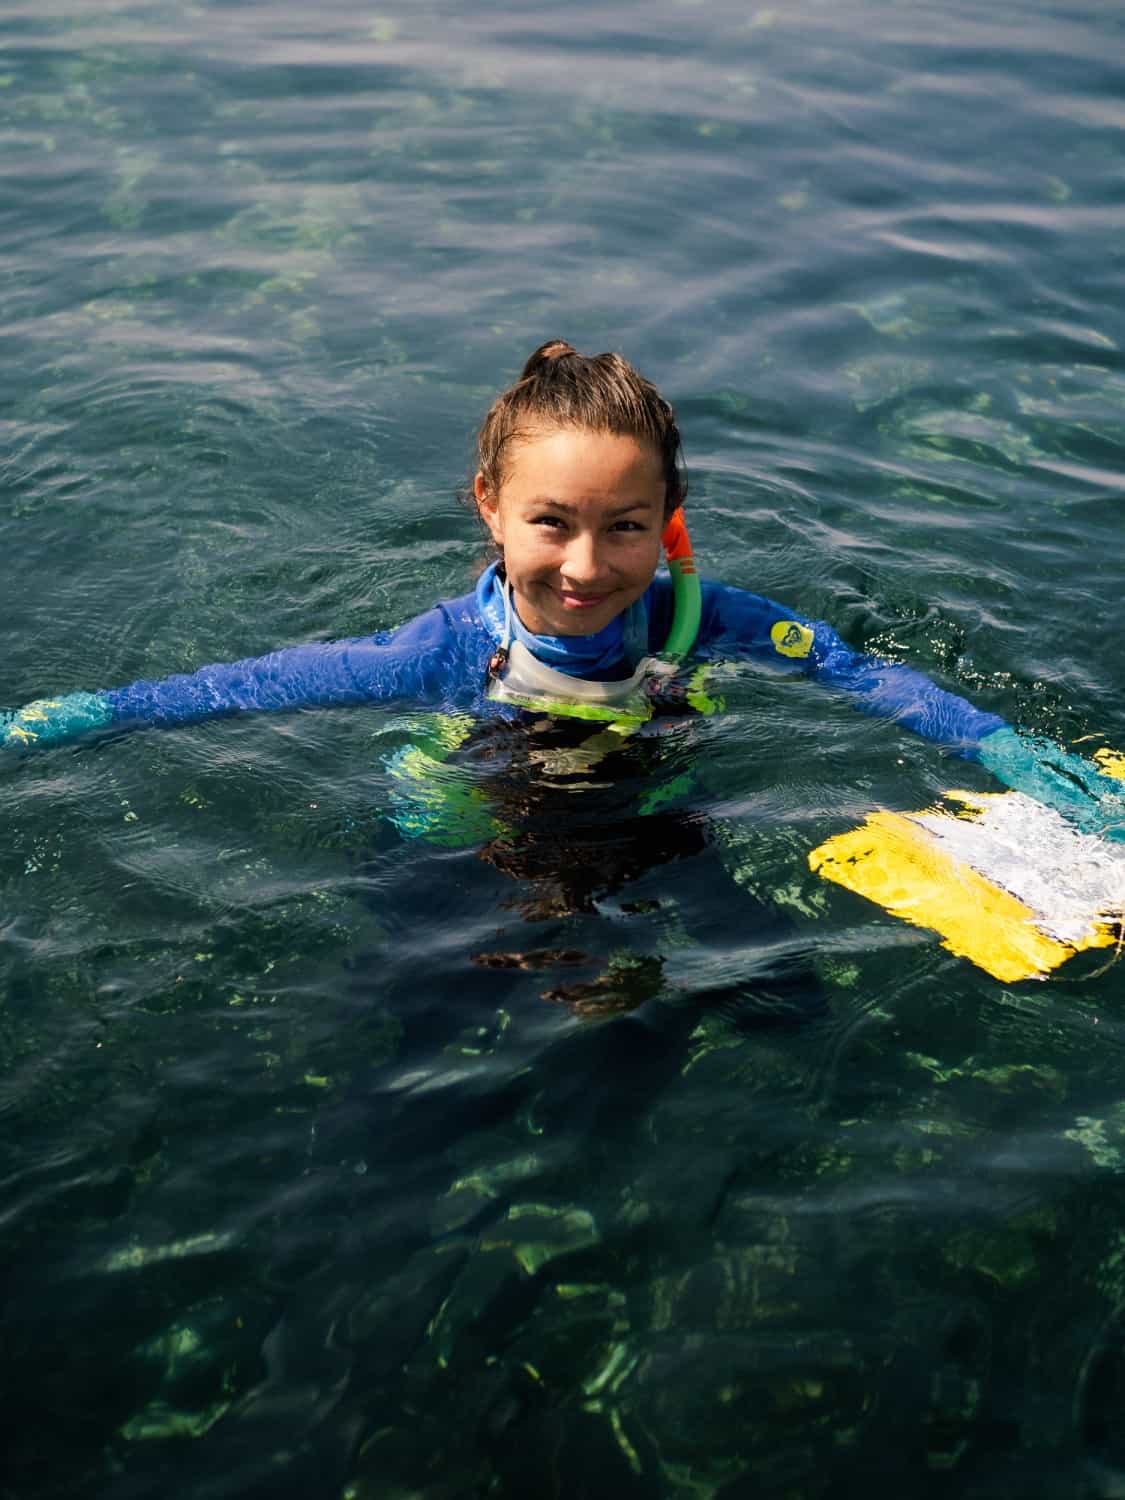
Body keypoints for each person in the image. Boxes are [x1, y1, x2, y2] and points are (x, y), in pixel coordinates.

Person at [2, 340, 1123, 844]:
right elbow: (255, 685)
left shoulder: (707, 618)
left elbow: (856, 670)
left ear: (669, 521)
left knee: (755, 996)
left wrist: (999, 746)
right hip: (479, 814)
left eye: (625, 528)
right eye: (551, 523)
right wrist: (97, 712)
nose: (587, 566)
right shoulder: (436, 652)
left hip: (646, 814)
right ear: (487, 506)